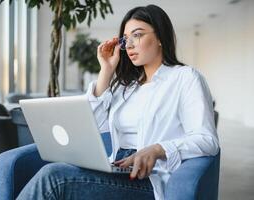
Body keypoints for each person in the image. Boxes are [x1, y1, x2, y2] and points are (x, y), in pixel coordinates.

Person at [17, 4, 219, 200]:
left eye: (137, 35)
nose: (129, 45)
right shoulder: (127, 87)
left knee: (54, 177)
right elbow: (95, 126)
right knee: (56, 171)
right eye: (125, 39)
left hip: (149, 177)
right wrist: (106, 70)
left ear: (160, 37)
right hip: (118, 167)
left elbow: (207, 140)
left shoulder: (185, 78)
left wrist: (158, 149)